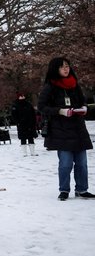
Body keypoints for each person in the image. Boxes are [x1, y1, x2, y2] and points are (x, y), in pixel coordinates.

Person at [37, 57, 94, 201]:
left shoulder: (75, 84)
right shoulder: (50, 86)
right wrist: (60, 111)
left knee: (82, 163)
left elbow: (82, 101)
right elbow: (42, 107)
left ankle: (82, 189)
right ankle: (64, 190)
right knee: (66, 163)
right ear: (55, 69)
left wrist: (84, 108)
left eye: (67, 66)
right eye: (62, 67)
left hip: (78, 128)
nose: (66, 69)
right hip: (60, 131)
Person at [10, 93, 39, 157]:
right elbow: (14, 115)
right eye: (21, 96)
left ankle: (33, 152)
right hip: (21, 125)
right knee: (23, 138)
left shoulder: (28, 104)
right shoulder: (15, 105)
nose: (22, 97)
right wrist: (18, 122)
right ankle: (24, 153)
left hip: (30, 124)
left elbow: (33, 114)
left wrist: (34, 122)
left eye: (23, 96)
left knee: (31, 138)